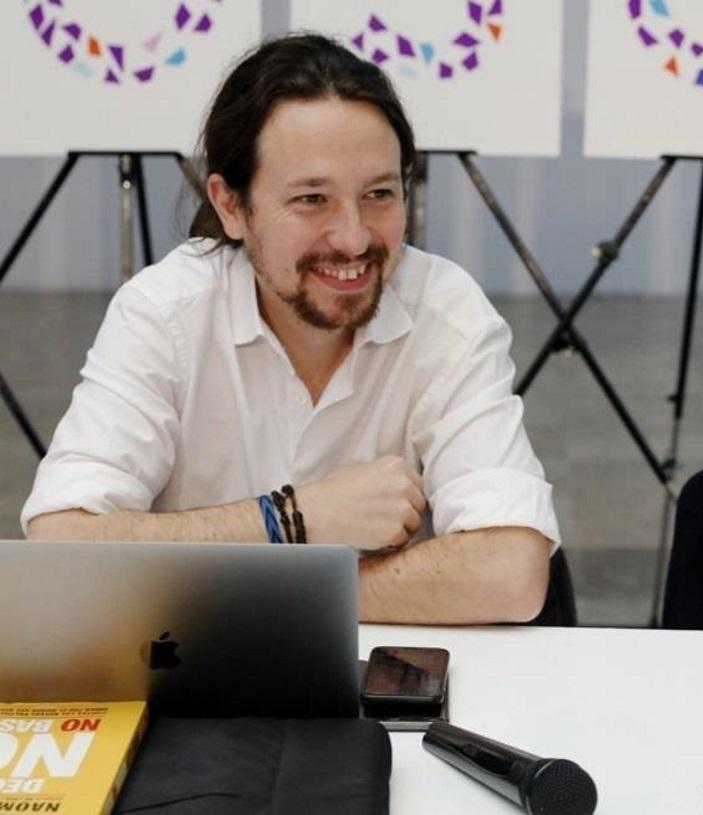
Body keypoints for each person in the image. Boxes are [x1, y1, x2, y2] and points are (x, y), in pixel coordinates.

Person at [22, 34, 560, 625]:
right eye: (312, 199)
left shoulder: (446, 313)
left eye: (379, 194)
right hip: (196, 685)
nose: (354, 238)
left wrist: (276, 591)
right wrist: (292, 517)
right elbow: (61, 547)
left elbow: (511, 572)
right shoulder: (164, 313)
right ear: (231, 206)